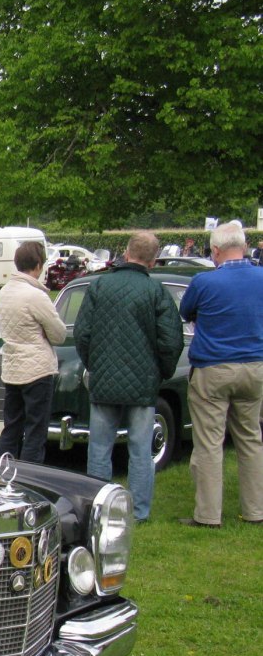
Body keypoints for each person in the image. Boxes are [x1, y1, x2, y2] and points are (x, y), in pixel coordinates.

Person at [73, 231, 183, 523]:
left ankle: (98, 508)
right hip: (143, 381)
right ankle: (138, 512)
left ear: (126, 251)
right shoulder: (156, 291)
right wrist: (162, 372)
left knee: (99, 447)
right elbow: (171, 340)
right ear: (153, 259)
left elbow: (82, 334)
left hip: (105, 378)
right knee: (140, 450)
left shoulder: (99, 286)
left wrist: (94, 363)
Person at [176, 221, 263, 527]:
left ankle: (208, 515)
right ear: (244, 244)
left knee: (210, 442)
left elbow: (186, 313)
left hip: (213, 367)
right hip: (254, 366)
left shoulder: (204, 281)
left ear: (215, 250)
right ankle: (255, 510)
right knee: (251, 438)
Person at [0, 241, 68, 463]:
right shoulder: (35, 295)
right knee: (35, 430)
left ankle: (2, 472)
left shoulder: (5, 291)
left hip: (12, 367)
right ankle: (29, 479)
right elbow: (58, 334)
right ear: (38, 265)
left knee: (11, 427)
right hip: (37, 370)